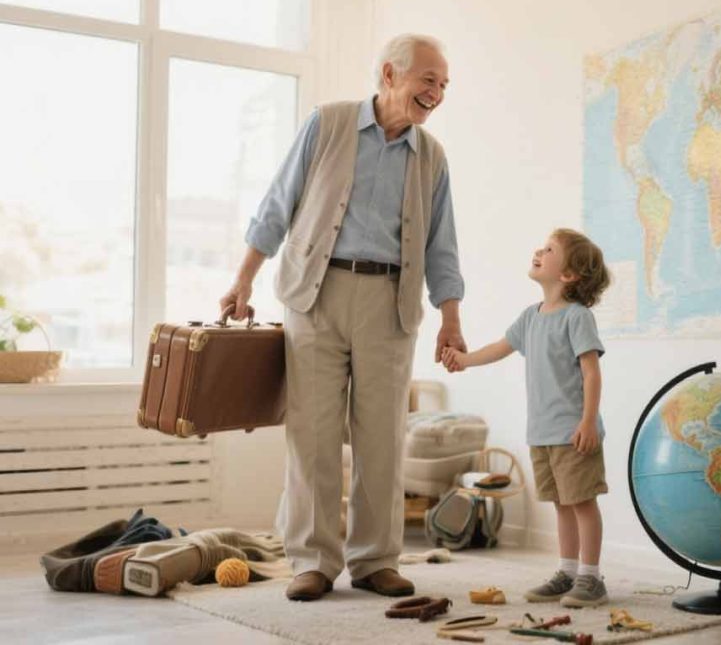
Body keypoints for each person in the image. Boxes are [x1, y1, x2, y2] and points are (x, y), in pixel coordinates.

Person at [220, 34, 465, 602]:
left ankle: (376, 559)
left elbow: (441, 245)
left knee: (382, 435)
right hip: (316, 293)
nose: (436, 92)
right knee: (312, 433)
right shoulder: (326, 124)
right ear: (389, 74)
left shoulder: (432, 158)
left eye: (444, 84)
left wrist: (450, 317)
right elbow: (276, 207)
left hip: (390, 302)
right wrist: (242, 280)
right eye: (428, 79)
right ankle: (312, 559)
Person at [441, 228, 611, 607]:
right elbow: (499, 348)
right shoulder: (530, 317)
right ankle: (567, 572)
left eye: (550, 249)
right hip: (543, 432)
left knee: (582, 502)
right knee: (561, 504)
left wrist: (588, 420)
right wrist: (464, 361)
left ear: (568, 275)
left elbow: (591, 372)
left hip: (574, 433)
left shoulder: (577, 317)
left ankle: (591, 577)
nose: (539, 250)